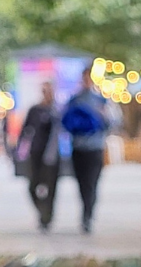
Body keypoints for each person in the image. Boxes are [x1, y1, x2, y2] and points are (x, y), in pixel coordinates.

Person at [62, 65, 114, 232]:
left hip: (95, 148)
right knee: (82, 182)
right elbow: (65, 122)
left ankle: (88, 214)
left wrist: (102, 115)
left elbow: (112, 122)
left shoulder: (101, 101)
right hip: (78, 148)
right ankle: (86, 211)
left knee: (91, 182)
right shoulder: (74, 100)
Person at [17, 81, 61, 231]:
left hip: (53, 156)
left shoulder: (57, 111)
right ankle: (42, 211)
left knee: (51, 188)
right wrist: (19, 151)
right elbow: (25, 130)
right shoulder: (35, 110)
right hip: (36, 153)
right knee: (33, 186)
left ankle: (47, 217)